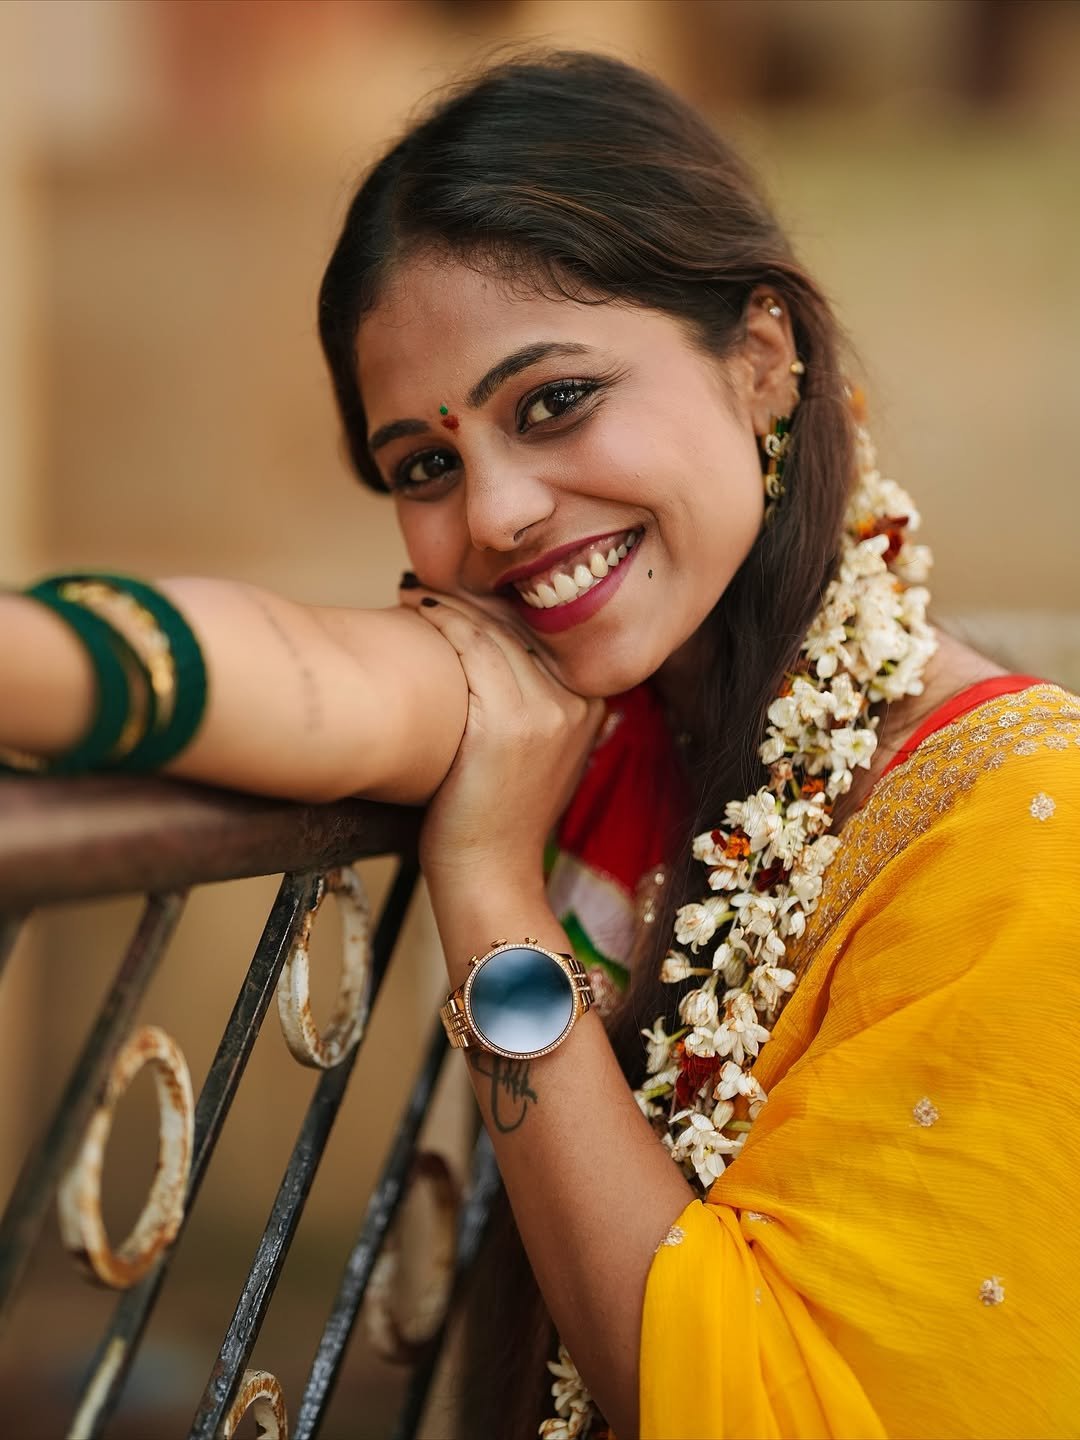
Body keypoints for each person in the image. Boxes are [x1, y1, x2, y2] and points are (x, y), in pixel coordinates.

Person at [2, 50, 1078, 1440]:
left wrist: (496, 899)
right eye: (424, 466)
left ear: (762, 360)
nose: (500, 512)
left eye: (555, 400)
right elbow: (282, 670)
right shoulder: (566, 689)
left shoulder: (1017, 831)